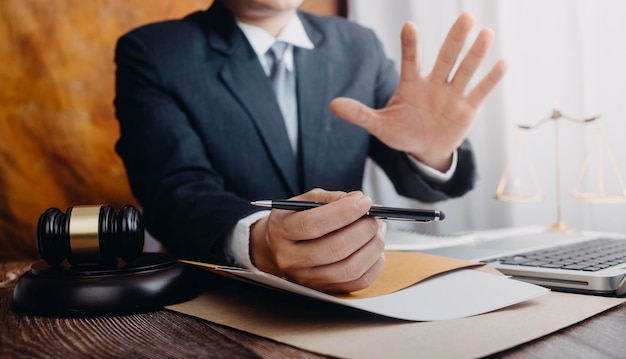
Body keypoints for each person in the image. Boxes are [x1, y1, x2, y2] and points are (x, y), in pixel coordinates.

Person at [113, 0, 507, 293]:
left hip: (357, 292)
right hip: (222, 299)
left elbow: (417, 174)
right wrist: (262, 242)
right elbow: (173, 192)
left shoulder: (359, 44)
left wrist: (430, 153)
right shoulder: (154, 52)